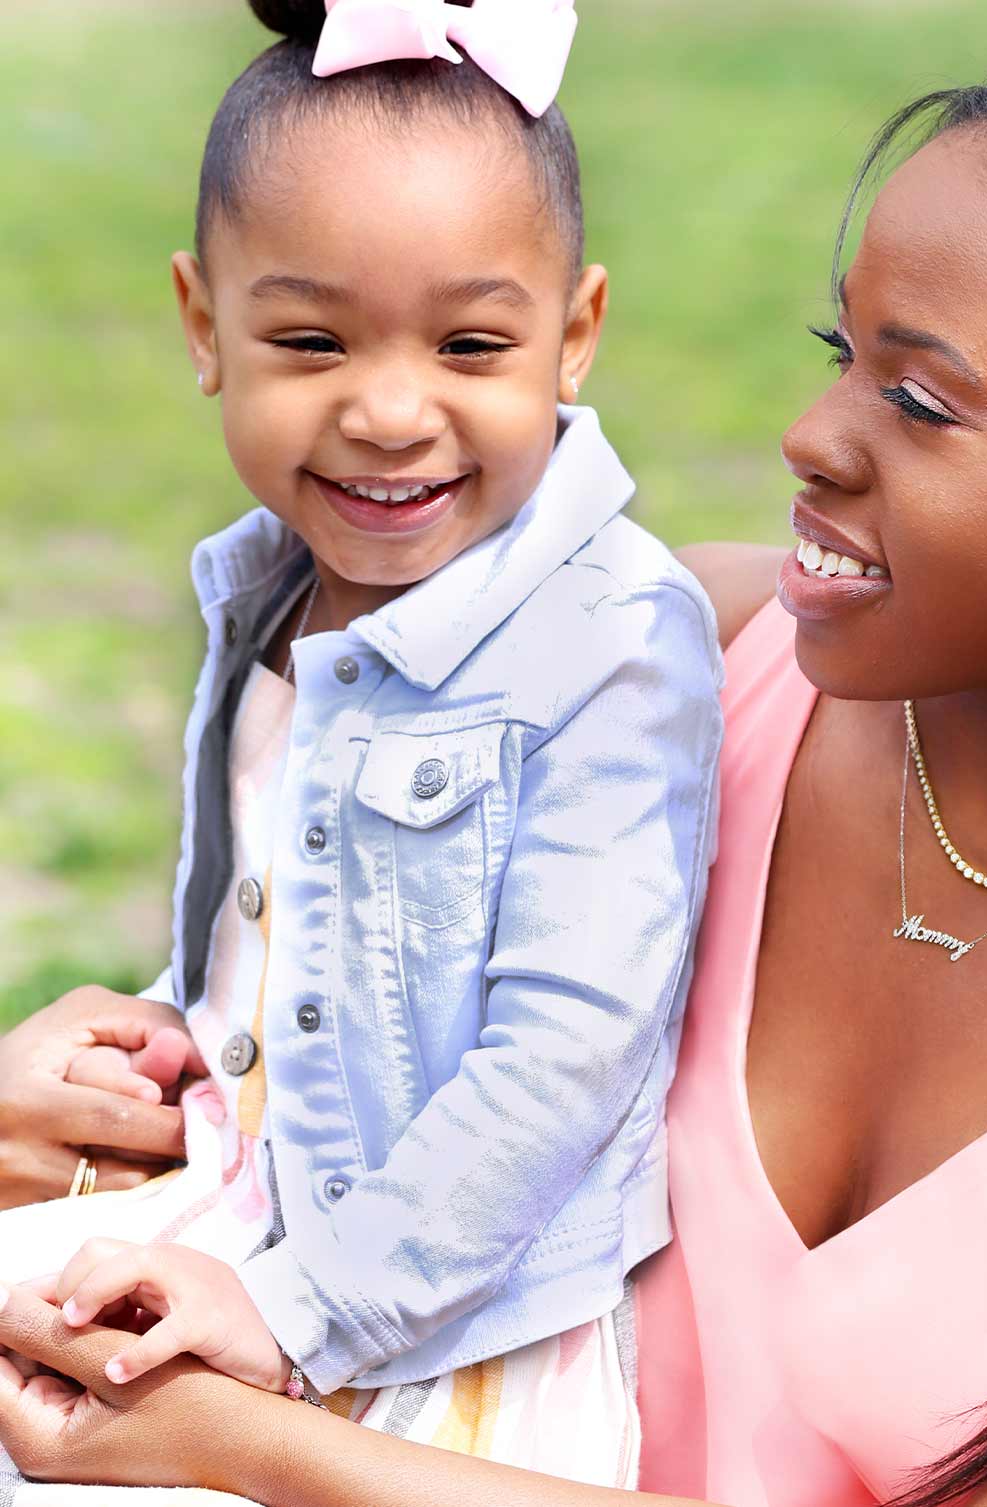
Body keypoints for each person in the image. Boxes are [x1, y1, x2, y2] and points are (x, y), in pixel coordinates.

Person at [4, 38, 987, 1507]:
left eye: (924, 403)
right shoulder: (671, 671)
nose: (811, 439)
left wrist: (262, 1451)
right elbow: (324, 1059)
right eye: (844, 357)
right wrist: (73, 1125)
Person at [0, 0, 721, 1491]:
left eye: (471, 343)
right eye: (312, 340)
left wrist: (291, 1308)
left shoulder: (607, 639)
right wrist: (185, 1018)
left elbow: (562, 1064)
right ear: (207, 327)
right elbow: (299, 931)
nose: (391, 412)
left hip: (427, 1324)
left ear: (573, 334)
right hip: (237, 1204)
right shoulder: (267, 580)